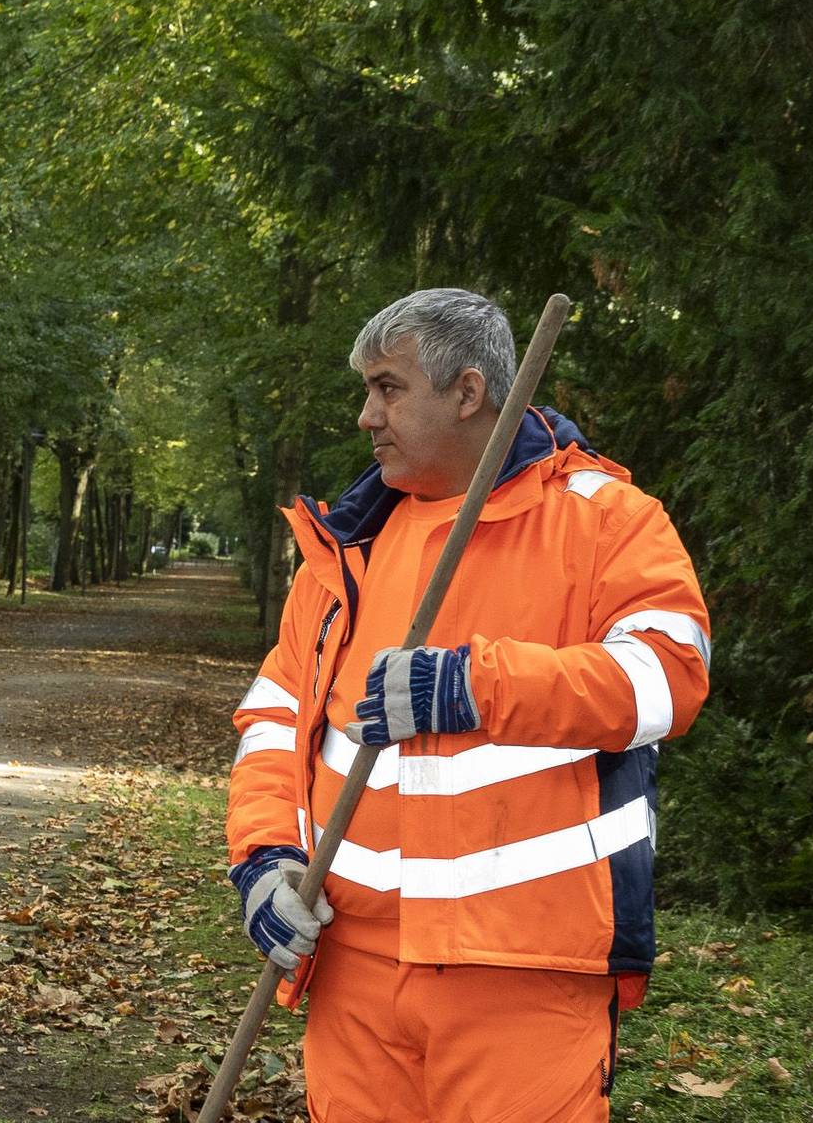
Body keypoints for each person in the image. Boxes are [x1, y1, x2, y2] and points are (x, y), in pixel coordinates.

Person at [224, 288, 714, 1122]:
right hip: (351, 972)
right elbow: (274, 718)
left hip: (525, 974)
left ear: (469, 390)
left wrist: (475, 687)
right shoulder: (347, 551)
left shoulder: (604, 522)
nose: (365, 416)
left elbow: (669, 678)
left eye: (388, 388)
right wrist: (266, 860)